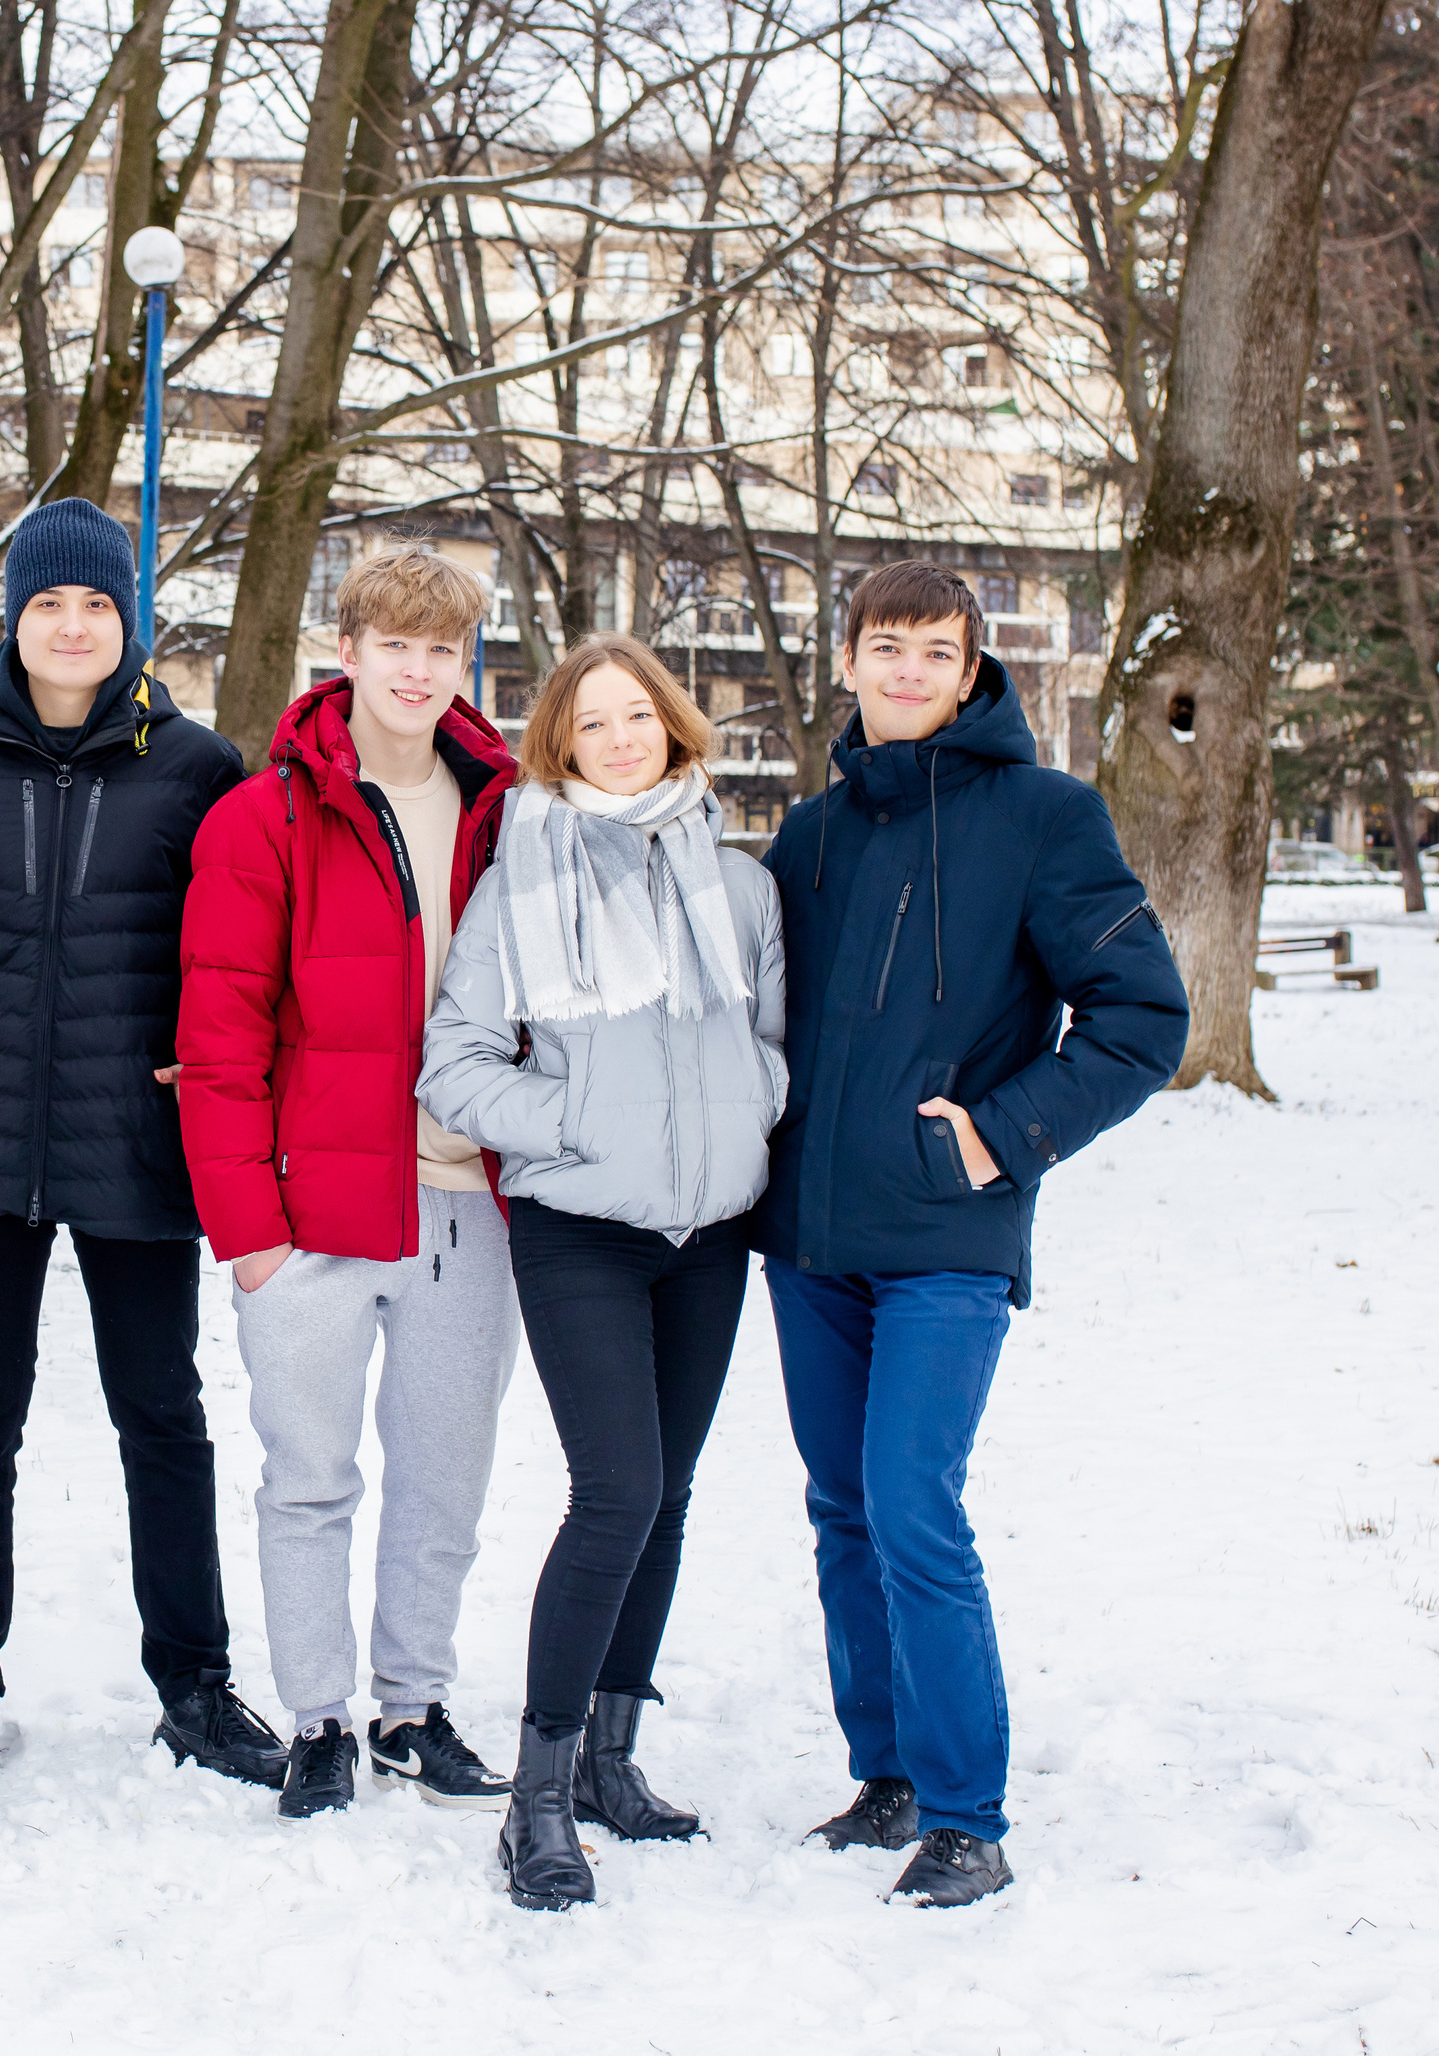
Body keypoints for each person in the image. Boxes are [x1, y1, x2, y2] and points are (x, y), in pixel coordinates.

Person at [753, 561, 1187, 1908]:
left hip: (949, 1232)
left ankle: (966, 1818)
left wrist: (999, 1134)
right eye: (885, 648)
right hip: (812, 1239)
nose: (907, 673)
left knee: (911, 1502)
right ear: (848, 661)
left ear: (970, 666)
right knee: (841, 1512)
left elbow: (1142, 1018)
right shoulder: (810, 836)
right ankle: (883, 1777)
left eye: (934, 653)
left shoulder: (1046, 818)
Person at [0, 497, 284, 1807]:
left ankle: (196, 1685)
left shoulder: (196, 767)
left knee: (162, 1413)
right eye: (51, 603)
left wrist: (227, 1070)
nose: (74, 625)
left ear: (128, 623)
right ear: (16, 617)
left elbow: (236, 951)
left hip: (136, 1142)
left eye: (99, 605)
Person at [420, 633, 786, 1911]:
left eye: (639, 715)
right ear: (558, 745)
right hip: (582, 1221)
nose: (620, 739)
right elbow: (452, 1064)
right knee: (615, 1490)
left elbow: (768, 1045)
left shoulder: (738, 888)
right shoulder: (518, 884)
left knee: (669, 1493)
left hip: (710, 1232)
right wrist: (570, 1128)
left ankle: (609, 1764)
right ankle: (535, 1798)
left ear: (673, 726)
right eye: (592, 724)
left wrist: (742, 1119)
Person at [177, 544, 523, 1821]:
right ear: (349, 652)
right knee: (309, 1477)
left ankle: (411, 1708)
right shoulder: (264, 816)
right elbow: (215, 1041)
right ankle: (319, 1716)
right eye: (396, 645)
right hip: (308, 1214)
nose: (418, 670)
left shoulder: (508, 807)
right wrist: (249, 1231)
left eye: (441, 649)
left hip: (463, 1206)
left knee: (444, 1477)